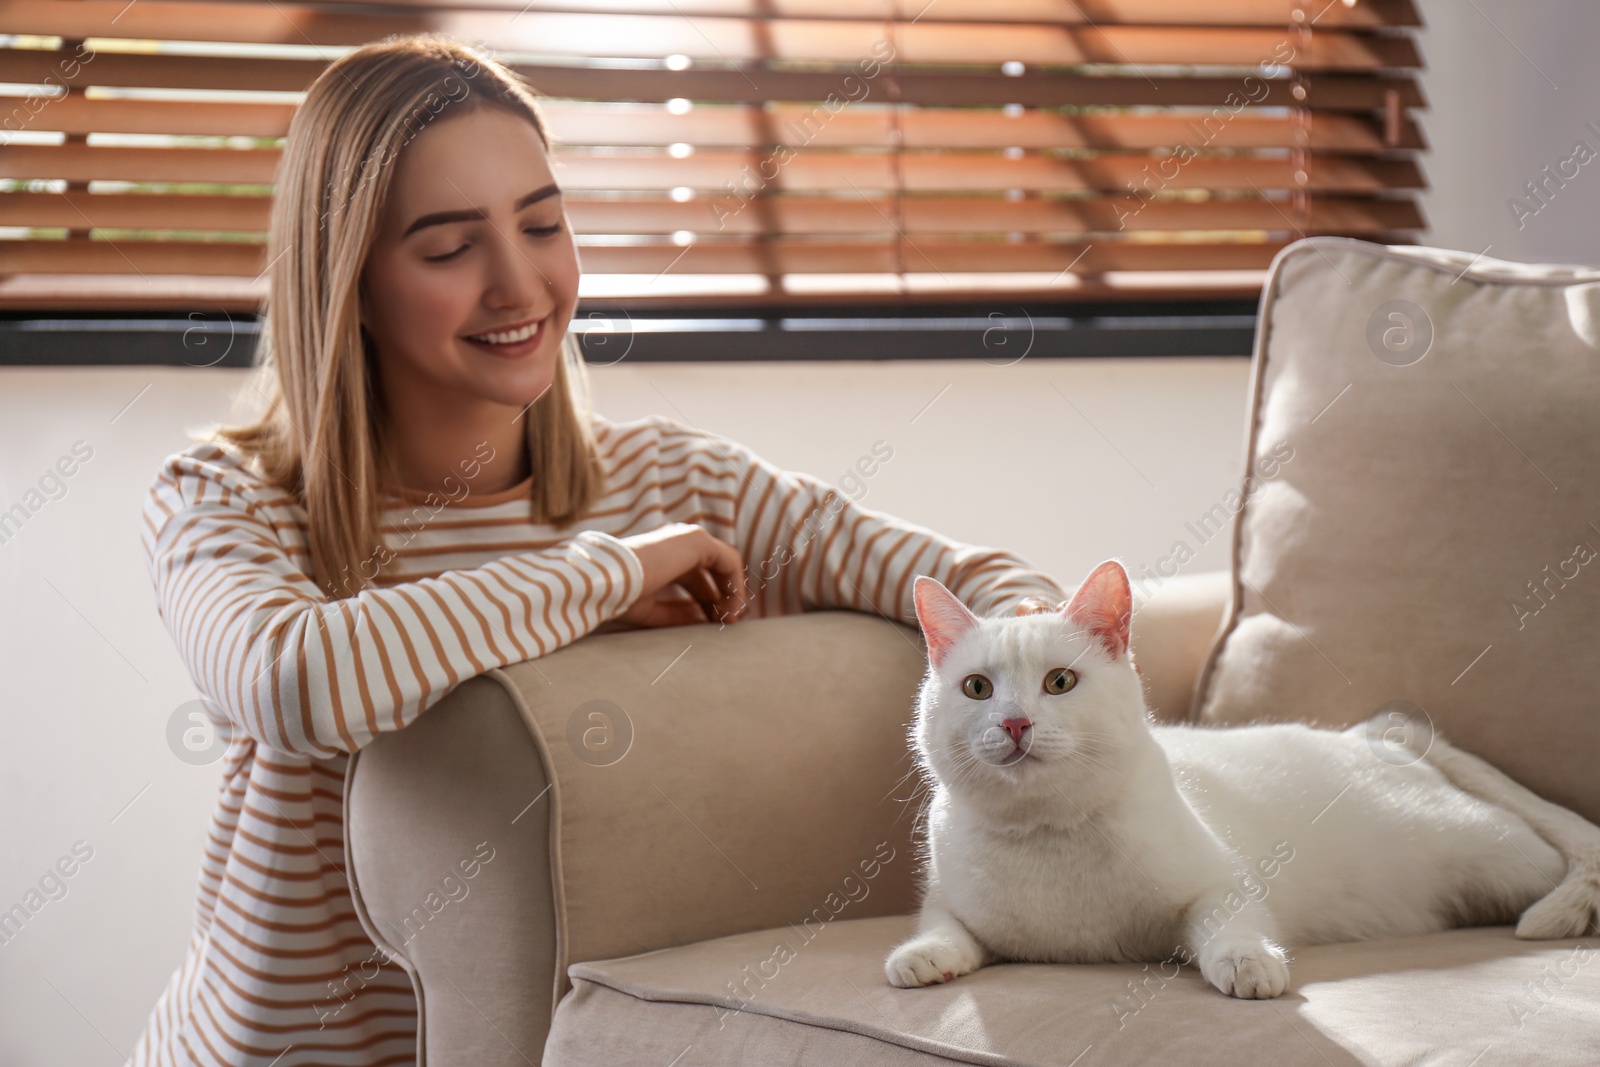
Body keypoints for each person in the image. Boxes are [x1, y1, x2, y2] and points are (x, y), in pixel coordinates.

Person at [132, 33, 1069, 1066]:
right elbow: (297, 681)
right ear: (347, 277)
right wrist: (610, 575)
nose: (518, 282)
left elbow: (985, 588)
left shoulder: (680, 485)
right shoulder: (223, 498)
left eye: (542, 223)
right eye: (449, 247)